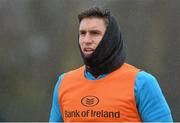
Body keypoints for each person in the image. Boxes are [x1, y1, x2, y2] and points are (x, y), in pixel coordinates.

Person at [49, 6, 173, 122]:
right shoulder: (64, 83)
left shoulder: (142, 83)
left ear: (110, 37)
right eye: (82, 33)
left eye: (95, 33)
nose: (86, 40)